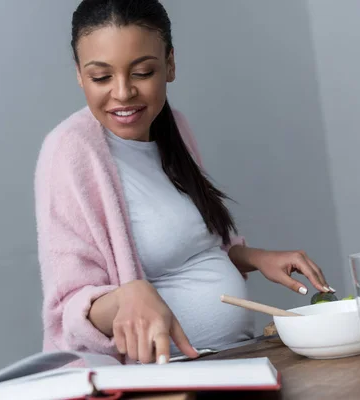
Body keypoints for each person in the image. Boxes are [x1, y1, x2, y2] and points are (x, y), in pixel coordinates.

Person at [34, 0, 335, 366]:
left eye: (142, 72)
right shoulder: (70, 152)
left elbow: (189, 247)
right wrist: (127, 296)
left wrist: (254, 258)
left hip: (234, 360)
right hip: (162, 381)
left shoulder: (173, 127)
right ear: (80, 75)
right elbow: (68, 313)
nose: (123, 92)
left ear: (170, 65)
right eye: (101, 77)